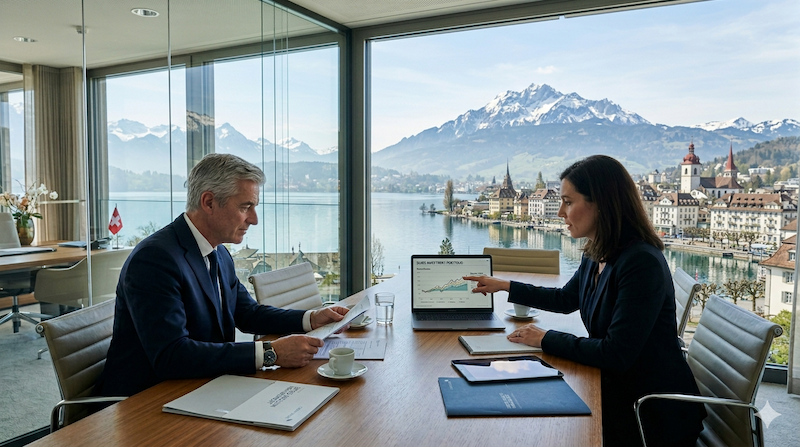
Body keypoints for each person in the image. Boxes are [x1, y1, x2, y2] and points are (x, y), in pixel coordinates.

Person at [466, 155, 706, 447]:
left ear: (601, 203)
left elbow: (616, 354)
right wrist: (505, 286)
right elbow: (567, 299)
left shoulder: (641, 263)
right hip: (615, 386)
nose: (560, 213)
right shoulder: (597, 251)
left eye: (568, 202)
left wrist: (545, 338)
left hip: (649, 411)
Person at [97, 153, 348, 397]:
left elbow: (247, 314)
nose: (254, 219)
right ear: (208, 202)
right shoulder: (154, 259)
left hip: (205, 386)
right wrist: (270, 353)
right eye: (245, 207)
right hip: (148, 401)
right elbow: (171, 356)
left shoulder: (218, 251)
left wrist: (312, 319)